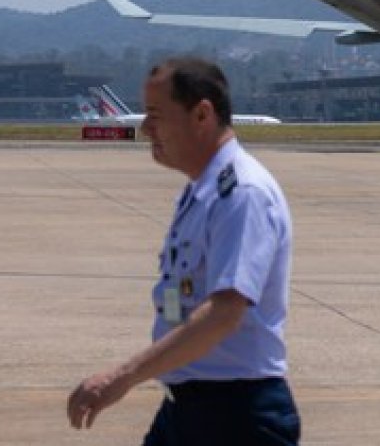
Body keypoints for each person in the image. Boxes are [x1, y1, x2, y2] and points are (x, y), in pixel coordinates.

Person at [67, 57, 299, 444]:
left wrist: (121, 376)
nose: (144, 128)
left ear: (202, 115)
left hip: (234, 419)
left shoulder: (242, 194)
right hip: (189, 408)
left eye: (156, 115)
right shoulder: (200, 192)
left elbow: (225, 312)